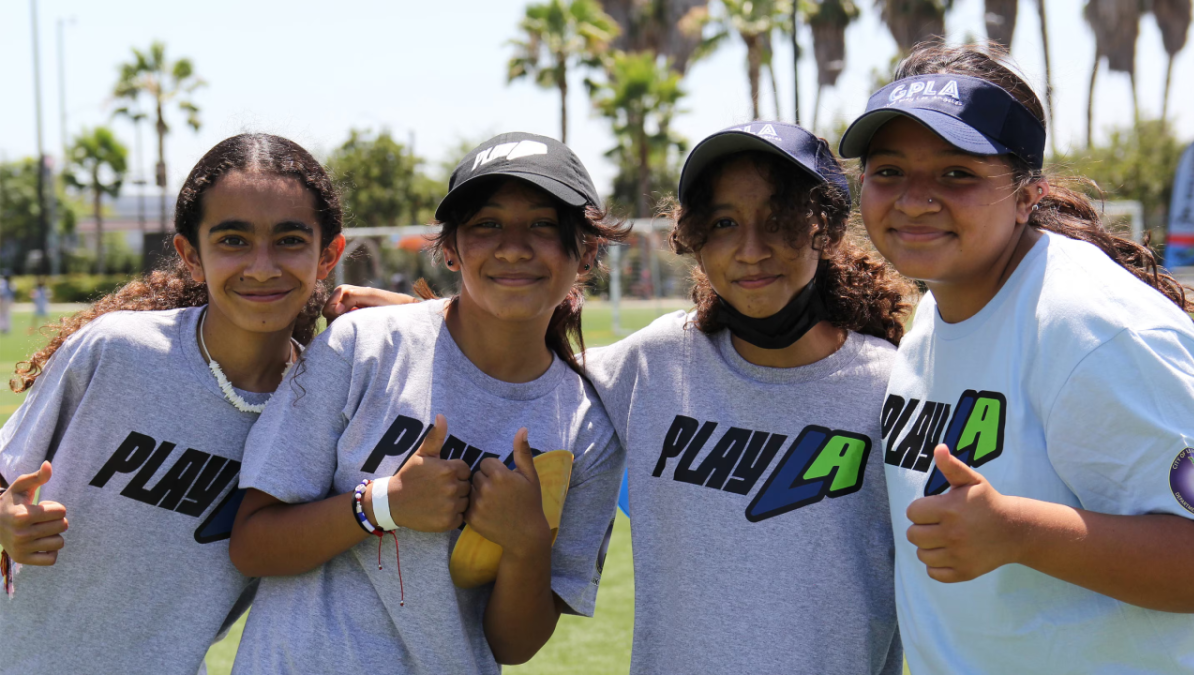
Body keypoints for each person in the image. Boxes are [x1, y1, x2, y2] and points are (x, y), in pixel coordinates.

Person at [328, 123, 910, 674]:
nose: (752, 250)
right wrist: (420, 317)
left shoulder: (892, 386)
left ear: (826, 229)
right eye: (725, 223)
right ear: (695, 238)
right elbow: (528, 364)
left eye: (780, 220)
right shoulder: (658, 360)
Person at [839, 43, 1194, 673]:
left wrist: (1019, 531)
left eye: (957, 174)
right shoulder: (940, 304)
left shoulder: (1092, 326)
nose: (915, 199)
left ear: (1027, 195)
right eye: (889, 170)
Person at [228, 132, 626, 674]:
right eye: (487, 224)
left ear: (586, 252)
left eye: (542, 224)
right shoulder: (365, 346)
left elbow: (514, 646)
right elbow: (253, 544)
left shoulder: (587, 430)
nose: (513, 246)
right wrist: (384, 504)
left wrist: (528, 541)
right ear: (452, 249)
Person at [0, 133, 345, 675]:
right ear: (190, 256)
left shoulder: (325, 406)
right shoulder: (117, 351)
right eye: (233, 240)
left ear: (329, 255)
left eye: (289, 240)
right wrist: (5, 516)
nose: (261, 266)